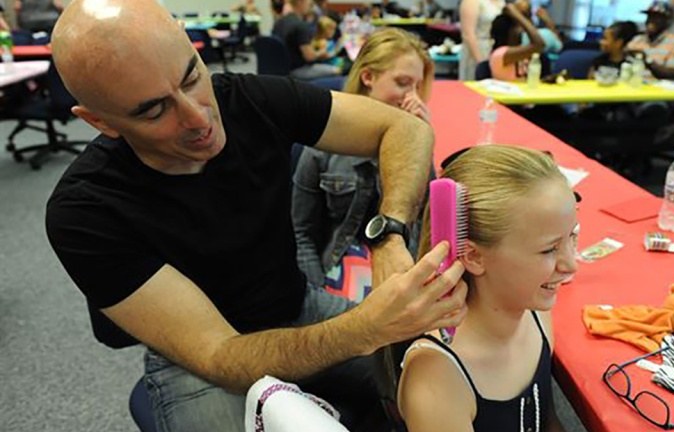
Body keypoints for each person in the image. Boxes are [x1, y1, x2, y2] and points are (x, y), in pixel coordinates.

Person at [45, 1, 468, 431]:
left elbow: (406, 129)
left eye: (192, 77)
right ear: (99, 121)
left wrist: (389, 233)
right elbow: (219, 355)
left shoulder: (245, 98)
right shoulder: (86, 211)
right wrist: (365, 329)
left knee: (457, 379)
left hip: (298, 306)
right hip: (201, 362)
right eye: (153, 110)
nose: (198, 117)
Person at [398, 145, 579, 432]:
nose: (571, 265)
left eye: (573, 237)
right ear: (473, 256)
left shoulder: (537, 318)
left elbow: (548, 422)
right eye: (549, 250)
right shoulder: (437, 379)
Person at [292, 27, 434, 296]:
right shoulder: (323, 147)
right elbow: (301, 234)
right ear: (368, 77)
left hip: (401, 269)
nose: (412, 98)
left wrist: (422, 145)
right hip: (336, 268)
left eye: (417, 86)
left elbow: (429, 228)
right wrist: (316, 294)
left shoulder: (415, 141)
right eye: (403, 83)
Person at [272, 0, 341, 80]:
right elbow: (310, 57)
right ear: (300, 2)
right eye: (309, 2)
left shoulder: (279, 22)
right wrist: (322, 53)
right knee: (338, 70)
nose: (311, 6)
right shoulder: (301, 26)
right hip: (297, 71)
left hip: (279, 71)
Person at [626, 0, 674, 80]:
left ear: (667, 20)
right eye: (649, 16)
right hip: (632, 86)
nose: (651, 20)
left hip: (659, 90)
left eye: (656, 17)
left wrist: (648, 60)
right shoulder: (638, 39)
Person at [488, 2, 545, 81]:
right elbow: (539, 44)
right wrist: (517, 15)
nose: (522, 30)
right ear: (509, 31)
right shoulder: (500, 53)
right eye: (518, 26)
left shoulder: (519, 49)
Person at [458, 0, 505, 80]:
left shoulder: (502, 2)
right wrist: (481, 63)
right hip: (478, 48)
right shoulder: (471, 2)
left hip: (497, 49)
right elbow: (468, 34)